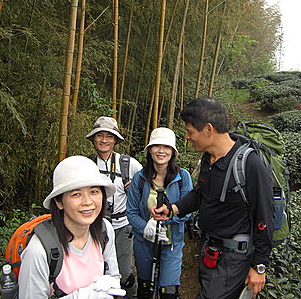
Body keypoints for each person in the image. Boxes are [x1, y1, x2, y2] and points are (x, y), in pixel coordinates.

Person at [152, 98, 274, 299]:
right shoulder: (208, 158)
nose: (187, 137)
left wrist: (259, 266)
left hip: (234, 258)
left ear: (208, 129)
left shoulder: (250, 163)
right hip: (210, 249)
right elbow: (201, 194)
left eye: (190, 131)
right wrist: (173, 208)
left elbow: (265, 216)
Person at [19, 155, 123, 299]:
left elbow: (114, 275)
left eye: (94, 191)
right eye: (76, 194)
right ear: (59, 202)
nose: (87, 202)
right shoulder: (39, 251)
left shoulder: (104, 230)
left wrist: (111, 285)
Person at [126, 127, 193, 299]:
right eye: (157, 146)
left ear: (172, 151)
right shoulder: (140, 179)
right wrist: (147, 226)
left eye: (166, 147)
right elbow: (131, 212)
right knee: (145, 290)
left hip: (172, 243)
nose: (161, 151)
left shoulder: (183, 177)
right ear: (149, 149)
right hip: (144, 243)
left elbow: (187, 210)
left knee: (169, 293)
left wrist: (168, 219)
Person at [86, 116, 142, 298]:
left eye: (109, 136)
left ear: (115, 140)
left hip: (122, 226)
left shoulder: (128, 164)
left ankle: (133, 295)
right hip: (93, 226)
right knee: (96, 272)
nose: (104, 140)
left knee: (123, 273)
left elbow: (148, 187)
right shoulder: (86, 165)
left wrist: (135, 187)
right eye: (99, 135)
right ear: (93, 139)